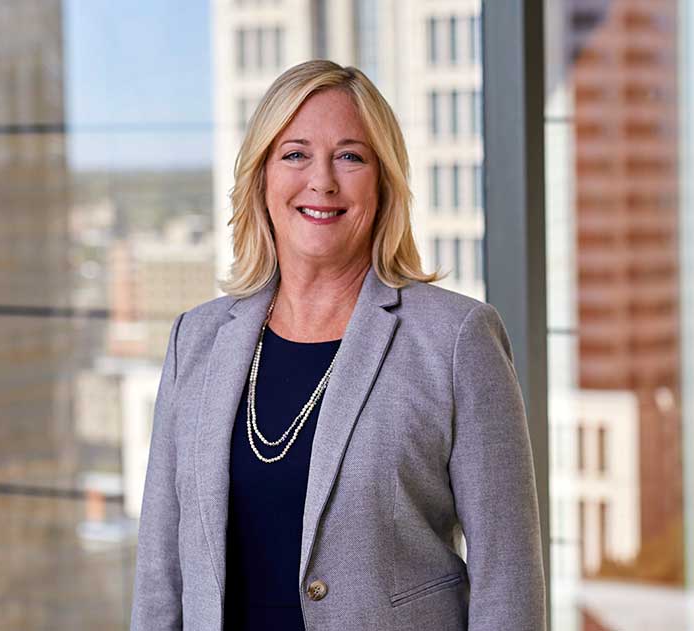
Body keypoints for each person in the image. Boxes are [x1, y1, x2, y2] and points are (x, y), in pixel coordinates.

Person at [130, 59, 546, 631]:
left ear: (383, 181)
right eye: (295, 154)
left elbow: (509, 581)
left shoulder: (456, 341)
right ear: (262, 177)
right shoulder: (194, 341)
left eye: (350, 156)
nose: (321, 181)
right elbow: (161, 581)